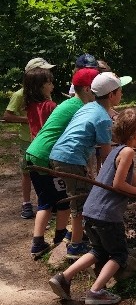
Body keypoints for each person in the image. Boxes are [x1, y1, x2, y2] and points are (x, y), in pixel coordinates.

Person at [48, 109, 136, 305]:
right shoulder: (128, 152)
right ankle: (96, 291)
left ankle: (63, 277)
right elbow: (118, 184)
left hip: (91, 211)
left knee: (98, 251)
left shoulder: (117, 150)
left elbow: (133, 179)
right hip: (107, 215)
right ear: (135, 135)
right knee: (119, 254)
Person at [49, 72, 131, 260]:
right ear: (111, 95)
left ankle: (77, 236)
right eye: (120, 92)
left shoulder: (89, 107)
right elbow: (106, 155)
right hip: (71, 159)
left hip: (61, 154)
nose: (122, 95)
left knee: (80, 196)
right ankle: (76, 246)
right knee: (81, 202)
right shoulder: (102, 118)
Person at [26, 68, 100, 259]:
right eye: (96, 89)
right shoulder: (80, 108)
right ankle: (51, 240)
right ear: (86, 90)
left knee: (51, 200)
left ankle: (47, 239)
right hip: (46, 157)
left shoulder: (69, 103)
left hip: (34, 153)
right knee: (58, 201)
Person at [4, 58, 55, 219]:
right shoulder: (20, 94)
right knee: (27, 172)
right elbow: (7, 116)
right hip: (28, 140)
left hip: (44, 141)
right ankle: (26, 203)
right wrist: (29, 120)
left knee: (46, 172)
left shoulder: (45, 95)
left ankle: (47, 202)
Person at [23, 66, 57, 139]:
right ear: (39, 86)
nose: (53, 86)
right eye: (49, 83)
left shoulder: (30, 104)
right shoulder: (50, 106)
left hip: (35, 144)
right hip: (49, 145)